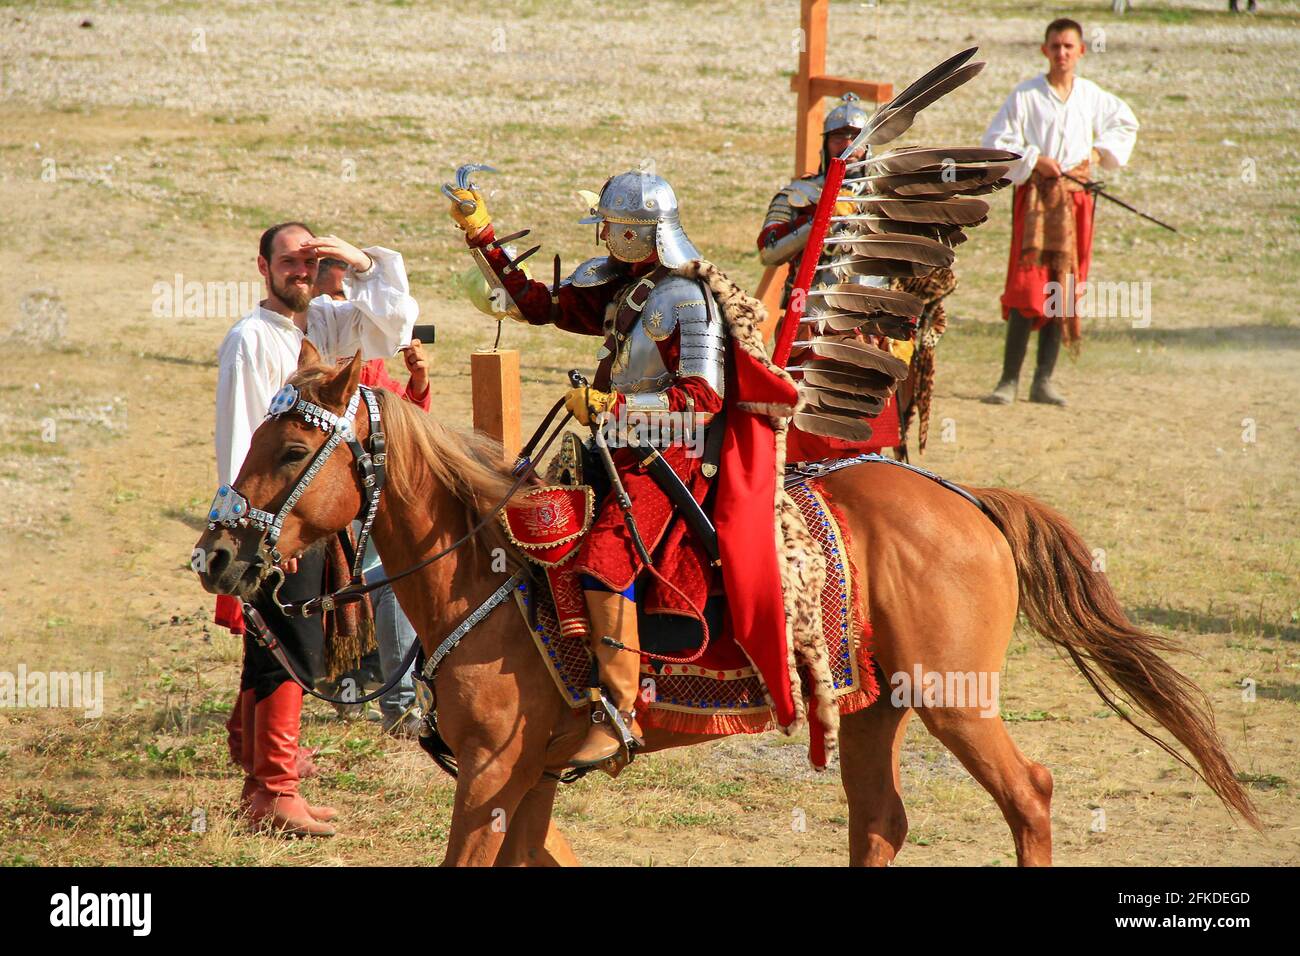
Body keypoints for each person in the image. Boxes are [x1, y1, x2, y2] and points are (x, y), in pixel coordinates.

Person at [447, 171, 799, 770]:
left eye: (612, 227)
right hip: (616, 446)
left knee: (605, 559)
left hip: (673, 457)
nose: (603, 236)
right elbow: (538, 304)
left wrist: (617, 405)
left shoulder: (690, 301)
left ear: (640, 234)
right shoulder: (625, 287)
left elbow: (701, 400)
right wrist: (483, 234)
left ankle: (618, 713)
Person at [214, 223, 418, 836]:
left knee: (273, 644)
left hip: (312, 510)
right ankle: (275, 790)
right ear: (262, 267)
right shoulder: (250, 339)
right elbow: (243, 442)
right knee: (288, 649)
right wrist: (258, 530)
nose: (301, 272)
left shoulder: (326, 323)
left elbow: (392, 326)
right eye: (289, 262)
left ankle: (261, 775)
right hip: (274, 518)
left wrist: (359, 262)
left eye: (310, 260)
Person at [981, 17, 1139, 406]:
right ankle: (1008, 381)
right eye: (1055, 46)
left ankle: (1043, 381)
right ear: (1044, 50)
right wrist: (1035, 159)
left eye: (1069, 46)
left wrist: (1100, 152)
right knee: (1027, 287)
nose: (1062, 53)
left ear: (1081, 51)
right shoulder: (1026, 95)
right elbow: (996, 141)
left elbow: (1126, 123)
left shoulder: (1091, 96)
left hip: (1076, 203)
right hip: (1037, 200)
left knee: (1063, 290)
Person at [756, 92, 915, 458]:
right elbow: (769, 250)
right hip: (812, 321)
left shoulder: (885, 197)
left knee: (867, 423)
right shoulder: (798, 193)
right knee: (806, 425)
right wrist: (817, 219)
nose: (847, 144)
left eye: (855, 137)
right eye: (838, 136)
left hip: (869, 325)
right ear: (826, 143)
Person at [313, 257, 429, 737]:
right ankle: (363, 690)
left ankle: (395, 702)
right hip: (325, 484)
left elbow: (393, 410)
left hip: (370, 477)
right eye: (335, 298)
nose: (343, 309)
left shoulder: (368, 345)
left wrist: (419, 382)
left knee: (387, 581)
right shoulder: (312, 343)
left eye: (349, 298)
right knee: (356, 585)